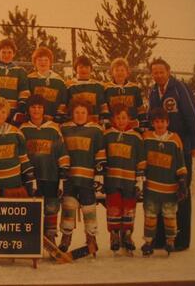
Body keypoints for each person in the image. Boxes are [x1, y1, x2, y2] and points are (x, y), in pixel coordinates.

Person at [148, 58, 195, 251]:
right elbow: (150, 117)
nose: (158, 75)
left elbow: (193, 116)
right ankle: (162, 238)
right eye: (155, 72)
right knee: (162, 191)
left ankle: (181, 239)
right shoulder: (153, 91)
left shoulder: (180, 88)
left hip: (181, 148)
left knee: (181, 192)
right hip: (162, 150)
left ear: (168, 71)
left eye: (161, 71)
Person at [20, 95, 70, 245]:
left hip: (50, 175)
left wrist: (63, 173)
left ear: (44, 110)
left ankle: (51, 236)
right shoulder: (23, 129)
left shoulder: (53, 128)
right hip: (31, 177)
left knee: (51, 207)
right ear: (29, 109)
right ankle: (32, 239)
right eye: (33, 107)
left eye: (39, 107)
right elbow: (20, 154)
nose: (36, 110)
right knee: (32, 208)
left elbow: (62, 151)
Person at [59, 99, 106, 254]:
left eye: (83, 112)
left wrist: (99, 175)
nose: (80, 115)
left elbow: (100, 154)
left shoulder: (96, 130)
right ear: (72, 113)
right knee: (68, 207)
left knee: (89, 209)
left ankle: (91, 239)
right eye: (77, 112)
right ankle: (66, 238)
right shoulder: (64, 129)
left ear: (88, 114)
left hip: (87, 177)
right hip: (70, 177)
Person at [141, 108, 188, 256]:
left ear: (168, 123)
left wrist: (182, 181)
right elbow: (142, 160)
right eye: (156, 122)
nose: (160, 124)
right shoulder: (147, 138)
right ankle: (148, 242)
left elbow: (180, 161)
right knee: (150, 215)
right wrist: (140, 177)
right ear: (152, 123)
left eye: (162, 121)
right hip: (151, 187)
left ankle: (170, 241)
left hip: (169, 187)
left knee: (169, 215)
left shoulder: (174, 139)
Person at [103, 104, 145, 253]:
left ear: (129, 119)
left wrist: (140, 180)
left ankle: (127, 234)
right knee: (113, 206)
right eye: (118, 118)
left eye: (124, 118)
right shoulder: (107, 135)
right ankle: (114, 234)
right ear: (113, 119)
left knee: (129, 207)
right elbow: (103, 157)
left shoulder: (136, 137)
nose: (121, 121)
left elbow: (141, 159)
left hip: (129, 179)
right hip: (112, 179)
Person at [0, 96, 37, 198]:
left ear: (7, 114)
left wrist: (31, 177)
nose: (0, 115)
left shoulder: (16, 132)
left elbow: (23, 157)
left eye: (3, 112)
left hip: (14, 183)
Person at [104, 58, 147, 131]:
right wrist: (107, 124)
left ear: (127, 73)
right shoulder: (106, 88)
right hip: (114, 126)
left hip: (132, 126)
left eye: (122, 70)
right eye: (117, 70)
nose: (119, 73)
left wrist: (143, 124)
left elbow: (140, 109)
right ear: (112, 73)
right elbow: (105, 109)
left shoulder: (134, 88)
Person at [28, 47, 68, 123]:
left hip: (53, 120)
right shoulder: (30, 79)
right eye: (39, 60)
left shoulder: (59, 81)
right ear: (34, 62)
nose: (43, 63)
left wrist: (58, 117)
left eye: (46, 60)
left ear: (50, 62)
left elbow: (63, 100)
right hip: (34, 120)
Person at [66, 55, 108, 126]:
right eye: (81, 67)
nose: (84, 70)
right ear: (75, 69)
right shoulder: (69, 86)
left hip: (94, 124)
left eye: (87, 67)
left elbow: (103, 106)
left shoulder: (98, 86)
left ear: (91, 69)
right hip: (75, 125)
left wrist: (104, 120)